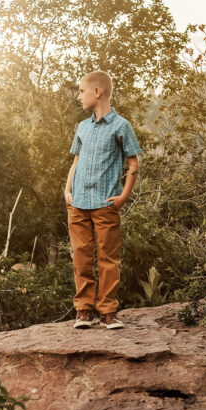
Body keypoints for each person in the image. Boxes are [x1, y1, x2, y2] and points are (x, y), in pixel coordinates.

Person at [64, 70, 141, 330]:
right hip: (77, 203)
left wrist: (123, 197)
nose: (78, 96)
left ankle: (108, 312)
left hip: (106, 203)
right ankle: (84, 311)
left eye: (82, 91)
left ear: (97, 92)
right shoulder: (82, 127)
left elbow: (133, 162)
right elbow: (76, 159)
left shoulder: (122, 126)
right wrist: (67, 190)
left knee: (108, 259)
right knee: (81, 257)